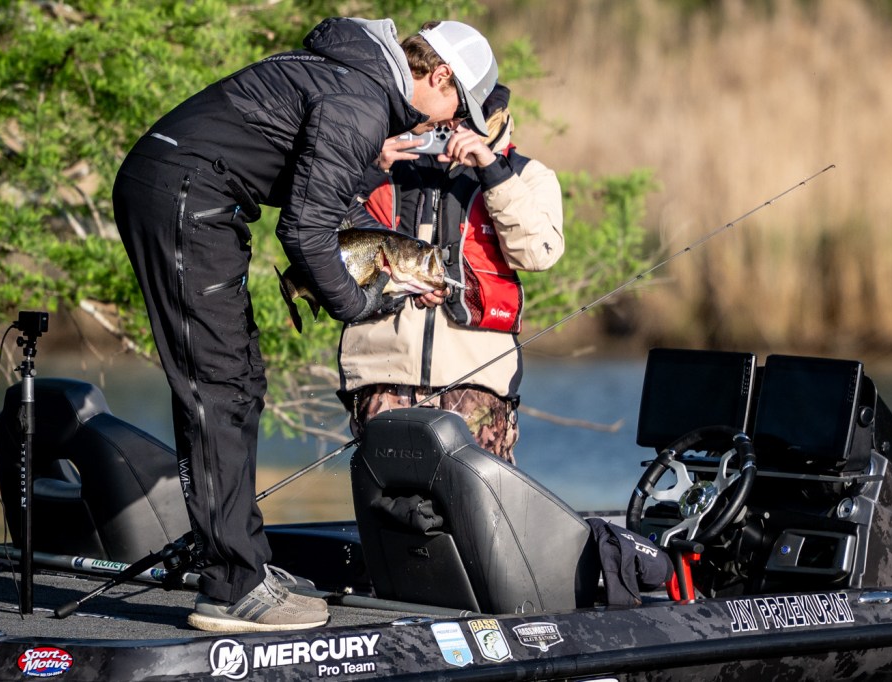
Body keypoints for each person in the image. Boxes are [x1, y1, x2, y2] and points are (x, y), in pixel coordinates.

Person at [112, 17, 498, 633]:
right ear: (441, 77)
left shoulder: (354, 85)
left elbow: (325, 209)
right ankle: (233, 586)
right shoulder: (361, 101)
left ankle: (244, 566)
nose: (445, 127)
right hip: (184, 197)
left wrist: (372, 182)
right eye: (456, 112)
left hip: (190, 196)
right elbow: (304, 232)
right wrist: (361, 304)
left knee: (238, 382)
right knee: (220, 386)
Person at [337, 75, 564, 465]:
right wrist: (368, 167)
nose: (450, 125)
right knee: (387, 500)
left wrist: (491, 169)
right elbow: (317, 229)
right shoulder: (380, 164)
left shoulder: (526, 176)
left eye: (464, 116)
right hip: (381, 379)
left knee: (476, 502)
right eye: (445, 115)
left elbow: (538, 253)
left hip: (477, 385)